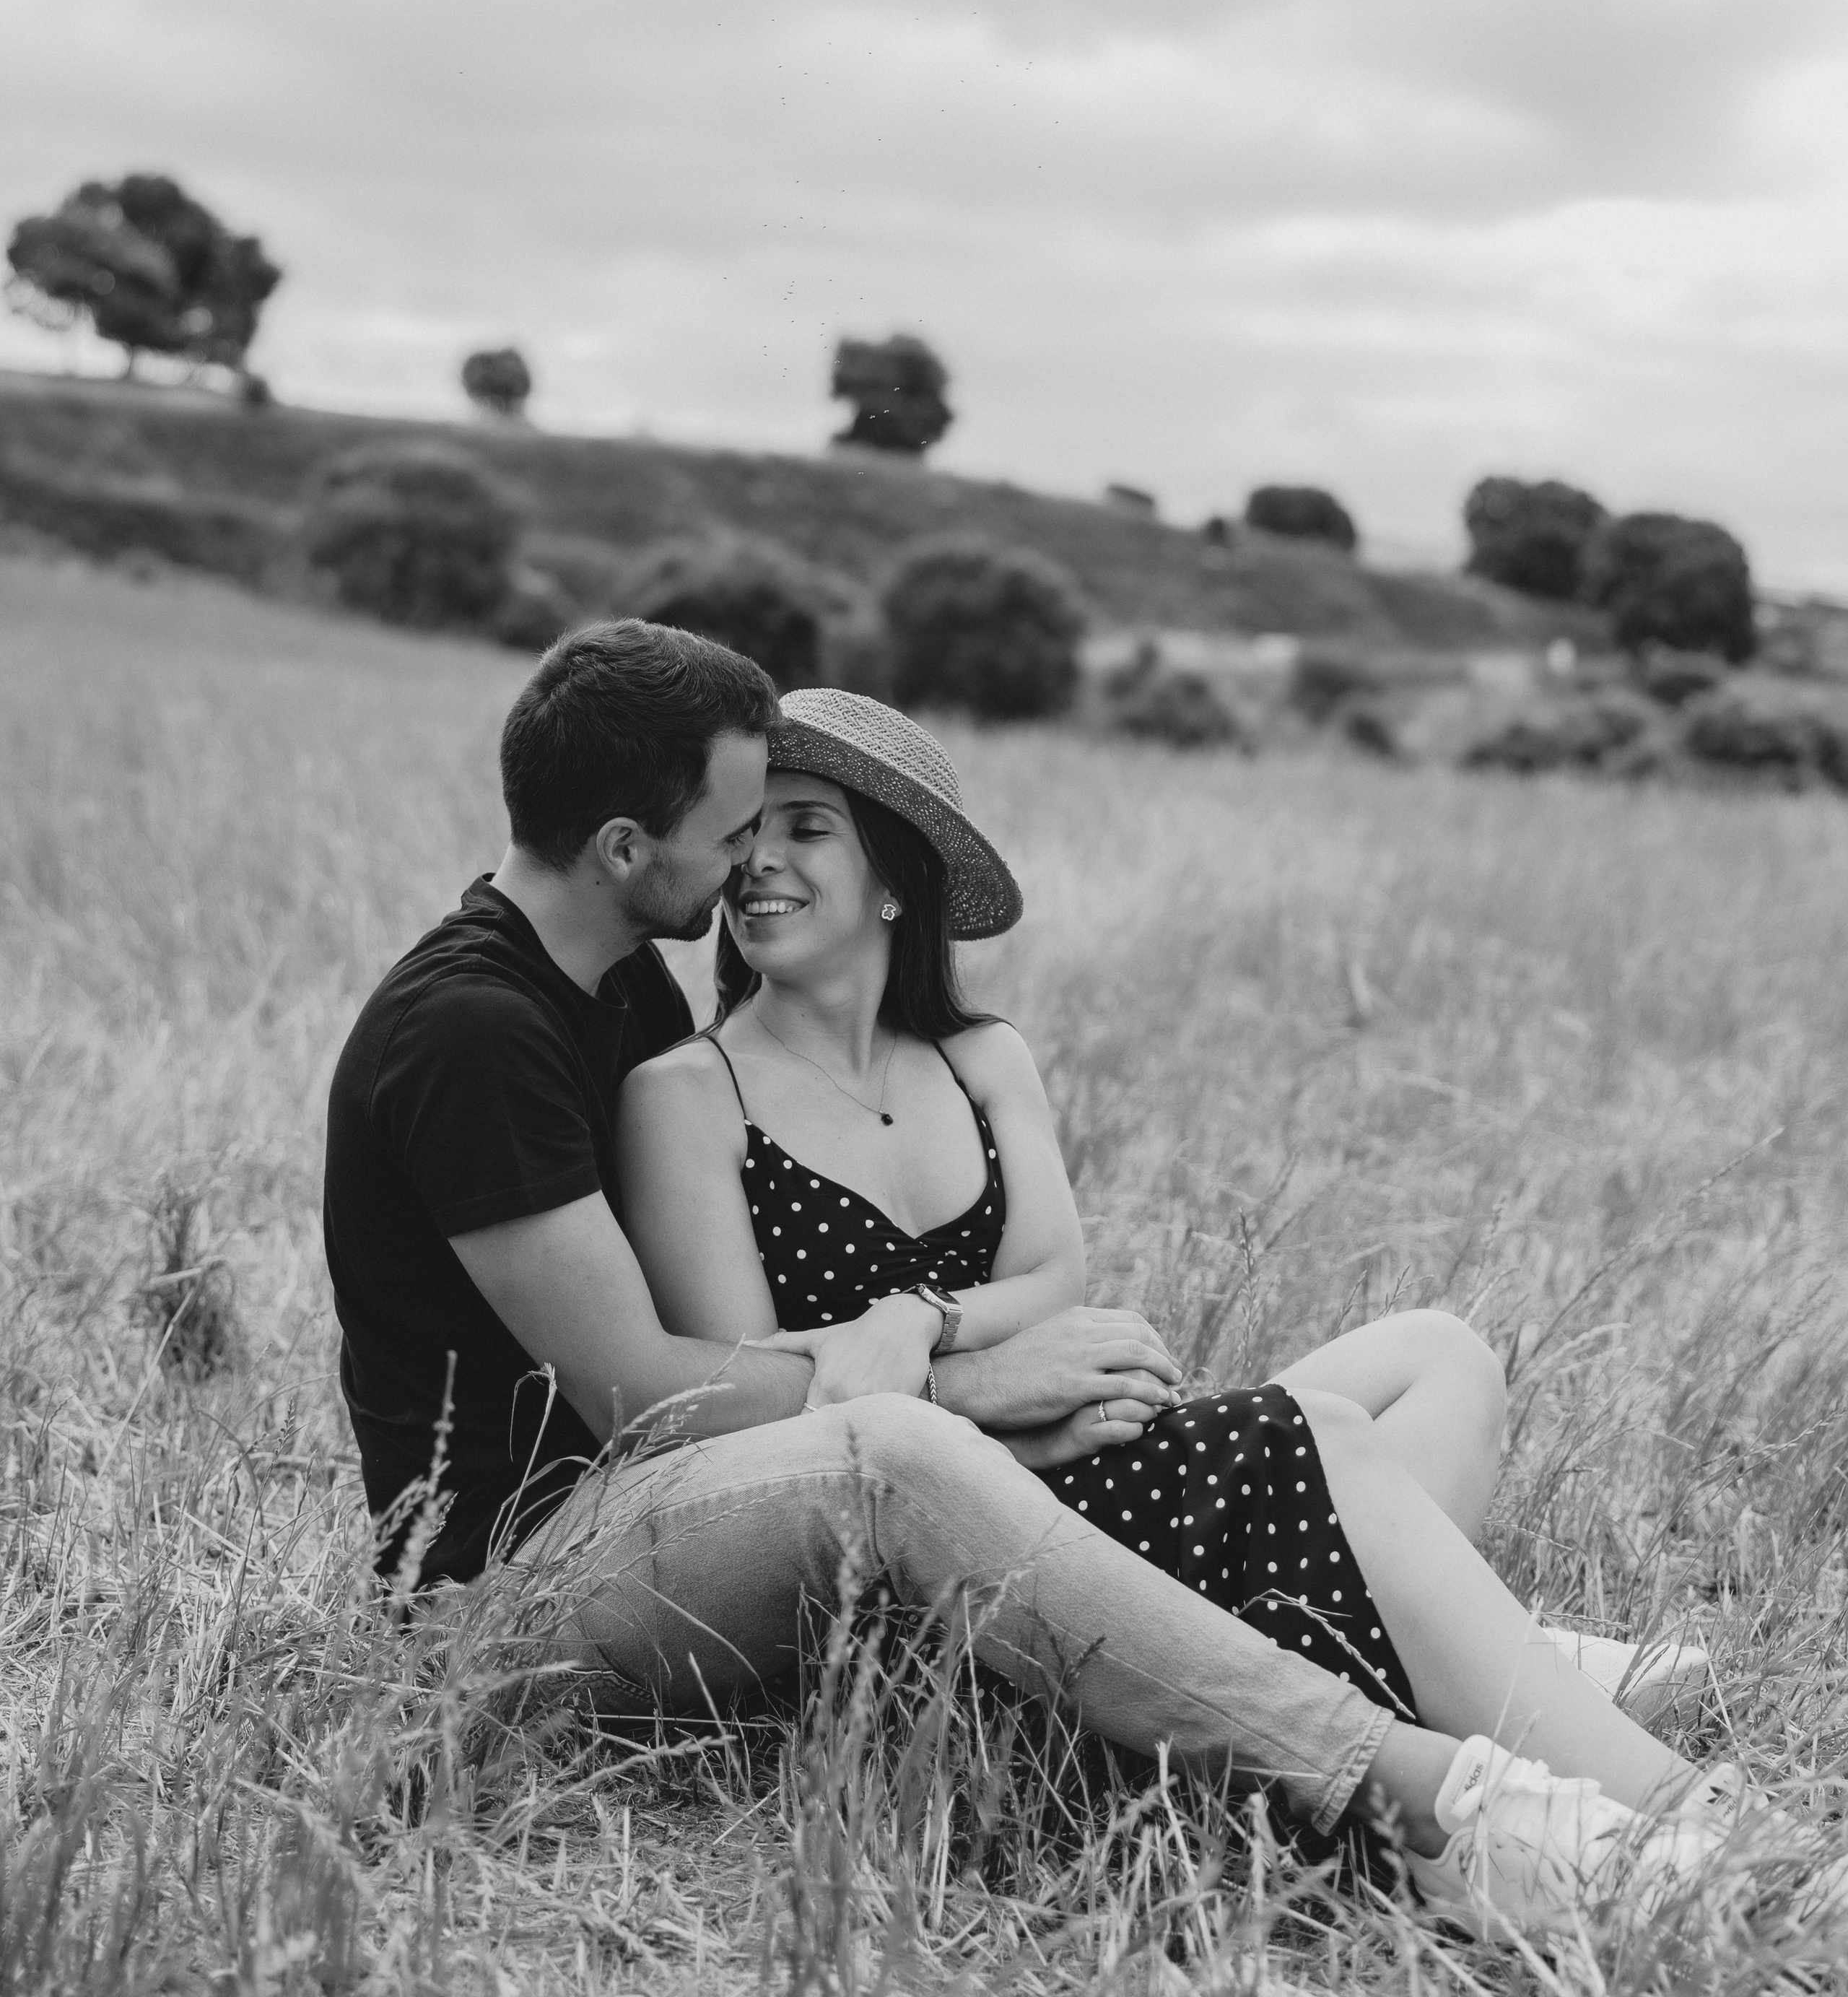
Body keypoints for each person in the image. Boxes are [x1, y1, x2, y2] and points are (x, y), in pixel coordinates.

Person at [321, 628, 1783, 1952]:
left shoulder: (620, 986)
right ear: (628, 847)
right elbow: (646, 1397)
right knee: (912, 1451)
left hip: (733, 1511)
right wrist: (967, 1383)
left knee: (1375, 1388)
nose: (746, 865)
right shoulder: (478, 1033)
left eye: (790, 825)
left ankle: (1568, 1733)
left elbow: (1009, 1285)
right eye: (731, 830)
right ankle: (1440, 1794)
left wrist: (959, 1346)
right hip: (523, 1587)